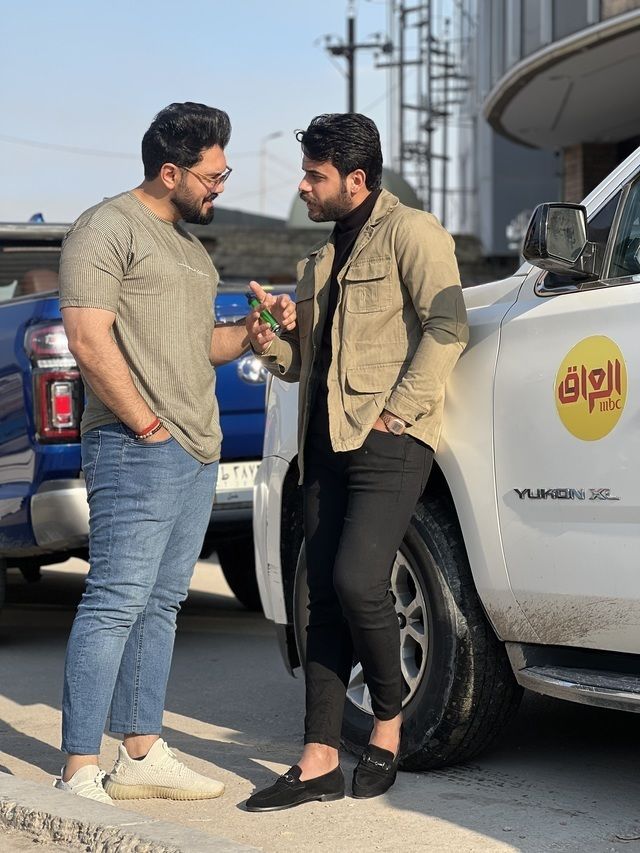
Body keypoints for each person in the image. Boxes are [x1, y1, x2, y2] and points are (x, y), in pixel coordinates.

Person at [56, 102, 295, 804]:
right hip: (135, 446)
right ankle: (77, 770)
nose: (220, 187)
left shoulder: (191, 248)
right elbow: (87, 337)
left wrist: (253, 330)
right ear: (170, 171)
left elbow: (201, 345)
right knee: (115, 600)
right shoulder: (107, 228)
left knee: (161, 603)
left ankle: (140, 752)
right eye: (212, 176)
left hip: (195, 448)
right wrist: (145, 425)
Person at [244, 113, 468, 811]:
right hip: (322, 444)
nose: (303, 187)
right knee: (321, 594)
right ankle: (317, 758)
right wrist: (270, 339)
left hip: (388, 438)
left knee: (357, 580)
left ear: (356, 179)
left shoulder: (413, 233)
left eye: (314, 176)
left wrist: (398, 412)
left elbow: (448, 324)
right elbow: (301, 364)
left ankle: (388, 723)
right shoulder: (319, 261)